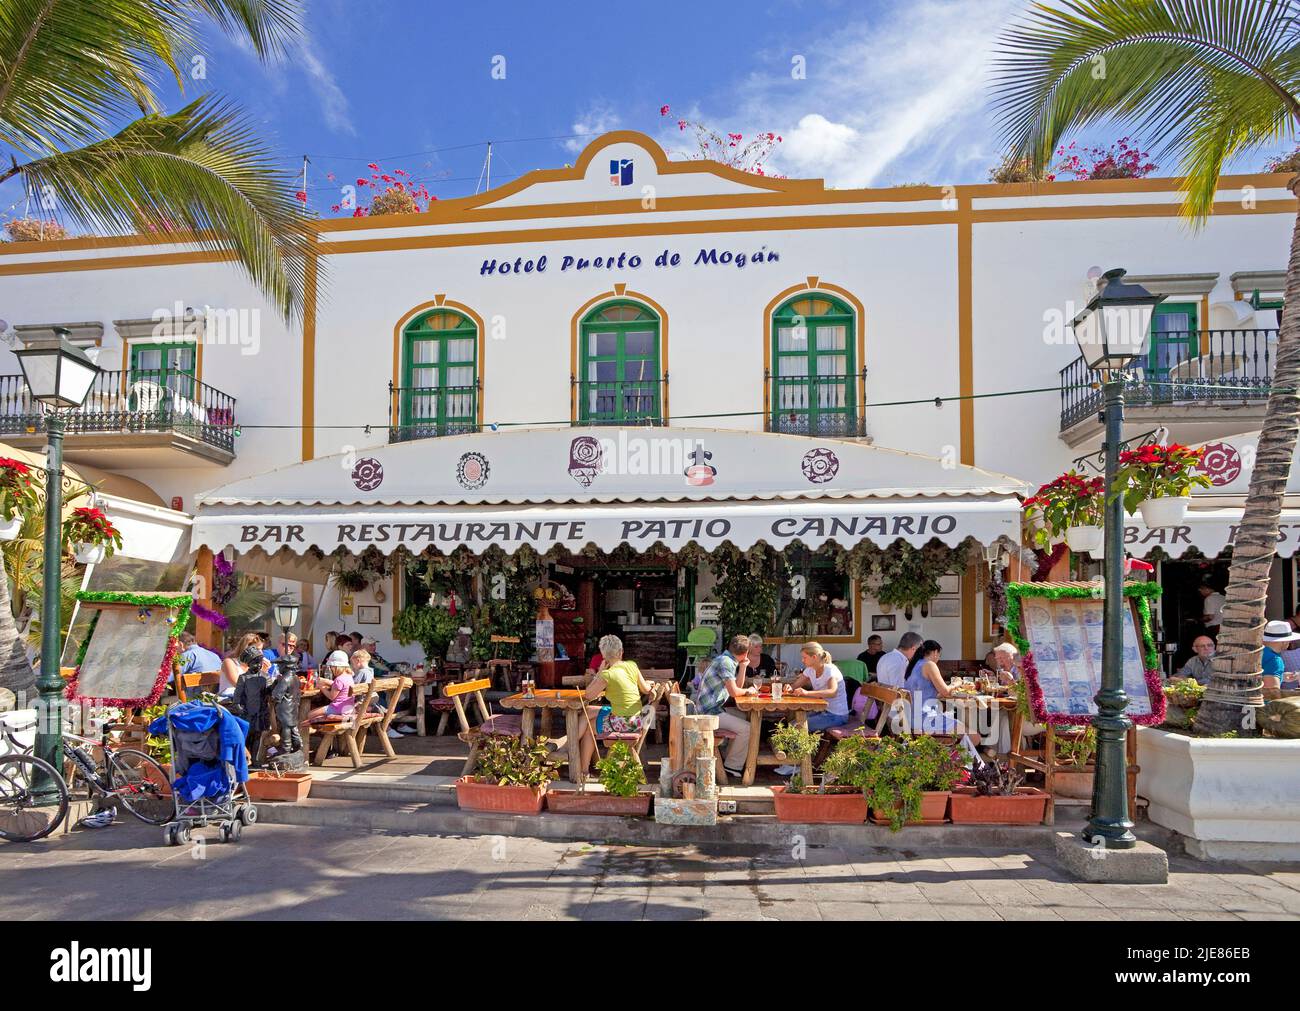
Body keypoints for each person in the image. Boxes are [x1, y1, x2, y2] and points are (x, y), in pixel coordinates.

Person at [576, 634, 655, 772]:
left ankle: (581, 770)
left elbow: (588, 695)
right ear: (621, 652)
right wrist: (651, 685)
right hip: (636, 719)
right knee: (587, 711)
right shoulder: (632, 666)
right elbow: (646, 689)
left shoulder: (607, 674)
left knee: (589, 728)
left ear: (603, 656)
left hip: (624, 723)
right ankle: (571, 744)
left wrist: (600, 671)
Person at [776, 642, 850, 775]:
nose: (802, 660)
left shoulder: (830, 670)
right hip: (824, 712)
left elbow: (832, 691)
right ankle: (793, 761)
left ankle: (797, 764)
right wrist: (789, 688)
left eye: (804, 657)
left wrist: (807, 693)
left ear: (814, 657)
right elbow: (796, 685)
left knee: (798, 726)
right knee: (793, 723)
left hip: (837, 715)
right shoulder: (810, 670)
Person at [901, 639, 979, 761]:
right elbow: (946, 692)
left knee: (963, 730)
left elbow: (924, 693)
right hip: (926, 720)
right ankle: (949, 764)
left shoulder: (914, 665)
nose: (938, 658)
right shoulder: (929, 665)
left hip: (912, 719)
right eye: (939, 655)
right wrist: (957, 683)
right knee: (975, 738)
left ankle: (946, 761)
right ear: (935, 652)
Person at [695, 633, 758, 779]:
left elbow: (736, 687)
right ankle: (732, 766)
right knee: (748, 728)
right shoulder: (726, 663)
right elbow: (735, 692)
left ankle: (729, 758)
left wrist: (743, 667)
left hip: (713, 709)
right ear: (746, 652)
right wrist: (748, 691)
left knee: (744, 717)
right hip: (708, 714)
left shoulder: (727, 659)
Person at [308, 650, 357, 721]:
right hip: (348, 708)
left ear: (336, 667)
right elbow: (341, 686)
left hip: (337, 709)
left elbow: (332, 697)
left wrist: (322, 687)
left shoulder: (339, 679)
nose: (331, 669)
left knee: (310, 714)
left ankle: (305, 731)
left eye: (331, 667)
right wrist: (326, 681)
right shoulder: (349, 677)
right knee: (317, 713)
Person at [1261, 620, 1299, 699]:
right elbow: (1272, 693)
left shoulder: (1258, 652)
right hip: (1263, 708)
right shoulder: (1275, 660)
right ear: (1284, 642)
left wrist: (1282, 677)